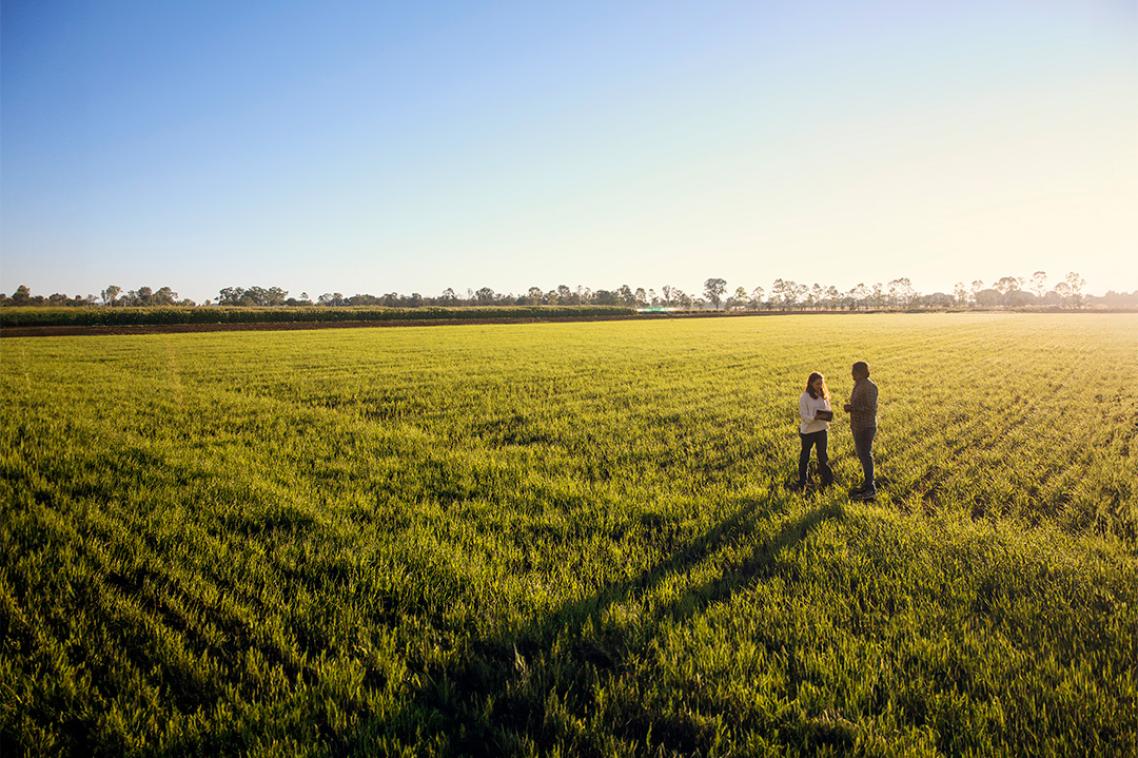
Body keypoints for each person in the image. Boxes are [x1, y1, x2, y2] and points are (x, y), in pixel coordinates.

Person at [843, 360, 878, 499]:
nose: (852, 374)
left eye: (854, 372)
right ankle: (867, 484)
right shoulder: (859, 384)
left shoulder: (869, 387)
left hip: (866, 426)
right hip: (858, 425)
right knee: (862, 455)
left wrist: (852, 408)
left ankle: (870, 489)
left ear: (861, 373)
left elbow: (871, 408)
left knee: (865, 455)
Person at [795, 371, 834, 490]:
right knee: (805, 456)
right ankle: (802, 481)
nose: (820, 386)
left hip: (822, 429)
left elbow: (828, 409)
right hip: (808, 432)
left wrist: (827, 416)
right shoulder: (805, 397)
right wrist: (814, 417)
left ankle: (827, 481)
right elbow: (804, 416)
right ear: (811, 383)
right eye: (817, 384)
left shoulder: (823, 395)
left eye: (821, 384)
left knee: (823, 456)